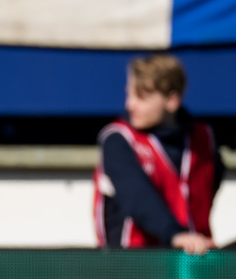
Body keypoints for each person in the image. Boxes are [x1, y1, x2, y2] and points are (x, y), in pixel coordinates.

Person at [93, 53, 224, 254]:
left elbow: (209, 185)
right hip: (133, 263)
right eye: (129, 95)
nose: (130, 105)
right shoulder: (119, 139)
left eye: (141, 98)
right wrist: (175, 234)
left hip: (193, 261)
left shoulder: (203, 138)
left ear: (172, 100)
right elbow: (137, 197)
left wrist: (193, 237)